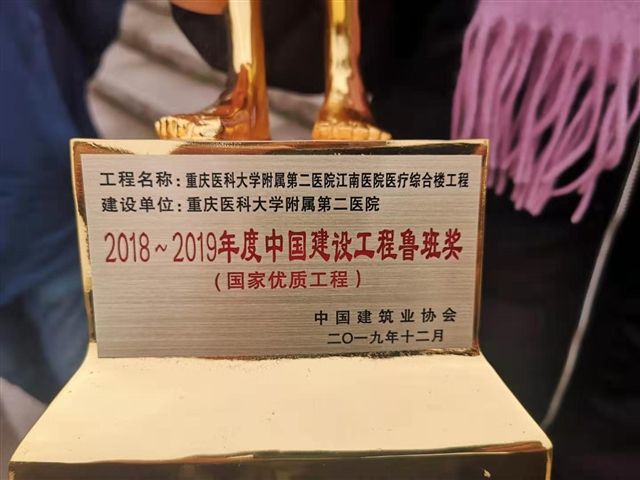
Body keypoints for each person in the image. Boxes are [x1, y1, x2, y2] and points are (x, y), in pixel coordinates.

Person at [0, 0, 123, 403]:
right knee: (36, 369)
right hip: (38, 170)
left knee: (88, 376)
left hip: (41, 196)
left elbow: (93, 18)